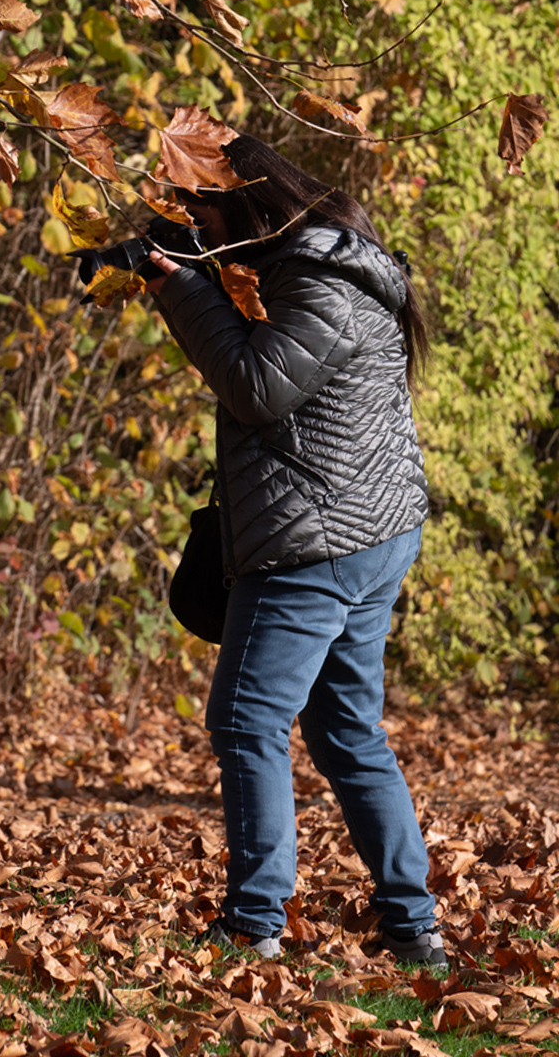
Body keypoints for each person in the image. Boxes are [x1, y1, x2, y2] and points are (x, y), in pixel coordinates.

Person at [134, 135, 447, 969]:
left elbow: (258, 387)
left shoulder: (318, 280)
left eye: (199, 212)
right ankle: (413, 926)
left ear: (248, 204)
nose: (192, 230)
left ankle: (253, 922)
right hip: (364, 529)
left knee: (246, 722)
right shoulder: (316, 264)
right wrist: (175, 270)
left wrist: (180, 290)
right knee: (346, 730)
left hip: (320, 541)